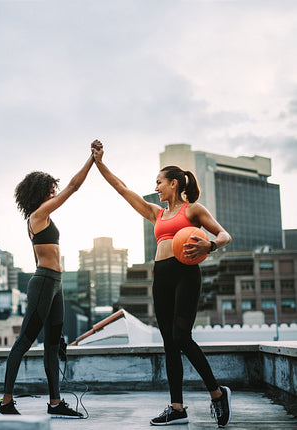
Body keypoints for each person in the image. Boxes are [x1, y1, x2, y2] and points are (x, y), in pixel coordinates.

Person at [91, 141, 232, 427]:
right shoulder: (156, 213)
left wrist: (210, 245)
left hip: (185, 273)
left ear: (174, 183)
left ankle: (217, 394)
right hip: (162, 275)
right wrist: (99, 163)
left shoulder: (192, 210)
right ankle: (177, 408)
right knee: (169, 342)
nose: (156, 187)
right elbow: (122, 189)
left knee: (182, 336)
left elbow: (224, 234)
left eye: (159, 182)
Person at [0, 142, 101, 418]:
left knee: (53, 345)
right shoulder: (38, 215)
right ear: (40, 192)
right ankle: (6, 401)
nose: (55, 192)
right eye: (50, 189)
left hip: (53, 283)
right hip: (44, 281)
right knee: (24, 341)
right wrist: (91, 160)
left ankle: (55, 403)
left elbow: (37, 256)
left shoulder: (41, 218)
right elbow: (73, 187)